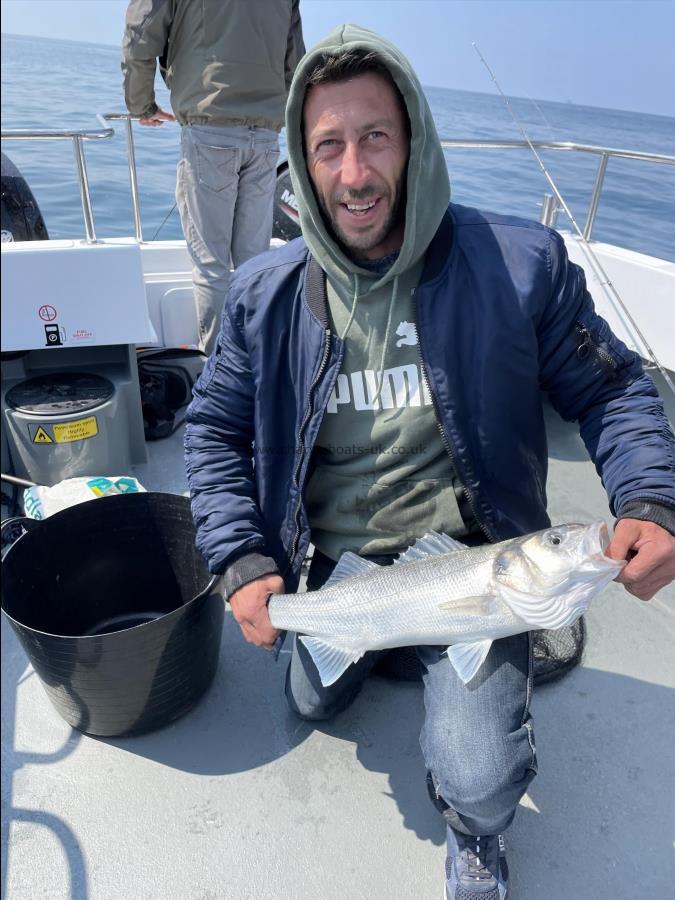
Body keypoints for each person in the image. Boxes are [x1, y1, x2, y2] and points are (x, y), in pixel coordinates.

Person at [184, 24, 675, 900]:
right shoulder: (263, 292)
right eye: (327, 145)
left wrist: (647, 495)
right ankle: (423, 643)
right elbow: (211, 434)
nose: (355, 172)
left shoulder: (519, 265)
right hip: (330, 564)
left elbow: (613, 391)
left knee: (479, 778)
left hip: (472, 552)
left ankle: (477, 825)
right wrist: (243, 560)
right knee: (307, 698)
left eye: (375, 136)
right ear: (300, 161)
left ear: (413, 138)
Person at [121, 0, 305, 355]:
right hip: (266, 136)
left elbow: (141, 32)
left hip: (211, 130)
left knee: (211, 266)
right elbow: (295, 61)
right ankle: (257, 363)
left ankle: (220, 373)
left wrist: (140, 104)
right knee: (255, 265)